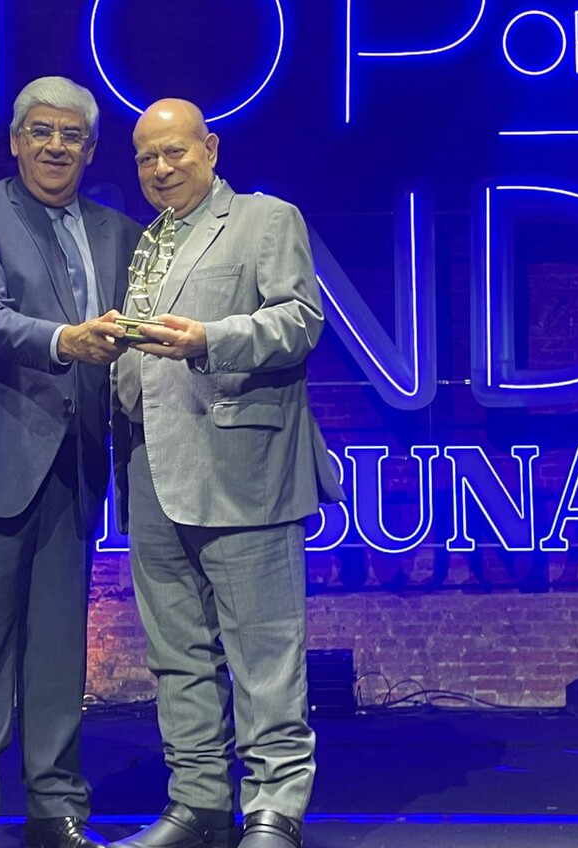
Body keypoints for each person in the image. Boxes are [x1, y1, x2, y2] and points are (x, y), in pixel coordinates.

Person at [111, 99, 344, 848]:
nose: (160, 168)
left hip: (242, 466)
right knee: (176, 653)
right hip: (150, 465)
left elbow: (300, 319)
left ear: (209, 149)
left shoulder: (265, 219)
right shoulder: (146, 240)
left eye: (174, 151)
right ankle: (198, 802)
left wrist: (211, 337)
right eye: (146, 157)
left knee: (264, 652)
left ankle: (274, 807)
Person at [0, 76, 142, 848]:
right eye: (41, 131)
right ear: (16, 141)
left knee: (57, 654)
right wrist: (63, 340)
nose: (55, 146)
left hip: (74, 463)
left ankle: (56, 807)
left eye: (71, 135)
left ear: (91, 148)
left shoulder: (120, 231)